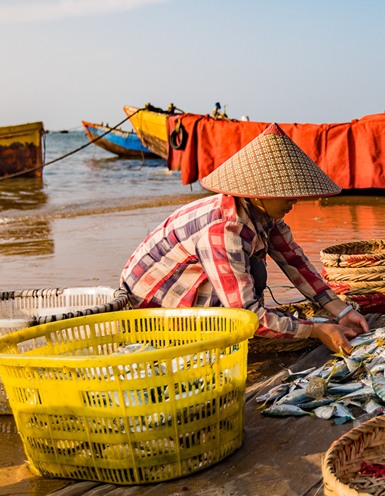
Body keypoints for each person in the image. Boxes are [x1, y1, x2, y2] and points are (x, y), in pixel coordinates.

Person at [120, 123, 369, 353]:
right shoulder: (225, 229)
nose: (295, 200)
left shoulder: (262, 213)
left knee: (255, 271)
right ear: (258, 194)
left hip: (184, 294)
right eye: (287, 194)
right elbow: (245, 314)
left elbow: (294, 262)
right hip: (154, 314)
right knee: (253, 284)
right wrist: (315, 330)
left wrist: (341, 311)